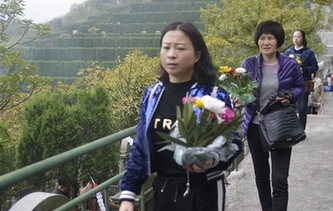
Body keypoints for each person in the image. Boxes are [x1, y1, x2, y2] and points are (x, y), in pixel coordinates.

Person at [118, 21, 242, 211]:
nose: (171, 54)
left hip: (203, 193)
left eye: (180, 48)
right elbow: (141, 147)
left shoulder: (214, 96)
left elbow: (234, 142)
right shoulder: (153, 95)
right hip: (164, 191)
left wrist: (211, 159)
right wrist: (128, 193)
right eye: (166, 47)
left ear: (197, 55)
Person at [239, 21, 305, 211]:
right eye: (262, 38)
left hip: (281, 126)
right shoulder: (248, 64)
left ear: (278, 41)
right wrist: (239, 99)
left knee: (279, 178)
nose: (266, 42)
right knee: (261, 176)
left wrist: (290, 96)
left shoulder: (290, 65)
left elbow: (300, 88)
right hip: (255, 126)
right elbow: (241, 90)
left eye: (270, 38)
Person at [284, 29, 318, 129]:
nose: (296, 39)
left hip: (303, 82)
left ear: (303, 38)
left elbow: (315, 66)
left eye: (298, 37)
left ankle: (301, 129)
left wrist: (304, 70)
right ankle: (292, 128)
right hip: (290, 83)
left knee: (302, 108)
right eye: (294, 37)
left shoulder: (309, 52)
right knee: (289, 107)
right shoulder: (288, 52)